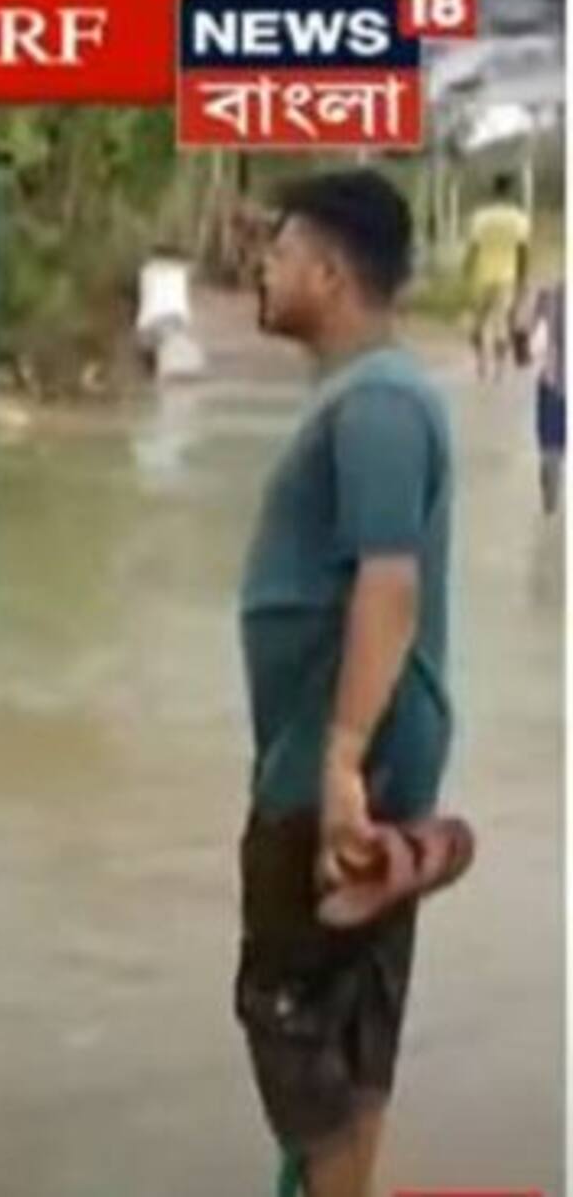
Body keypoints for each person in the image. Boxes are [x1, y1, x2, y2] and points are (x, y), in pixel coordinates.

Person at [237, 172, 459, 1197]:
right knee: (347, 1035)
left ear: (326, 274)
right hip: (345, 756)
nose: (260, 268)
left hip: (339, 769)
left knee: (294, 1022)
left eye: (276, 253)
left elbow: (389, 582)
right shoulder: (363, 395)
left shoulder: (374, 403)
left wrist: (335, 762)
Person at [461, 172, 531, 381]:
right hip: (506, 276)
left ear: (493, 191)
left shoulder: (481, 218)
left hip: (481, 276)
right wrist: (523, 278)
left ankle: (481, 362)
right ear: (510, 192)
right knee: (501, 324)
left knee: (477, 322)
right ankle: (499, 369)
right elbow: (522, 251)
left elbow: (472, 248)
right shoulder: (518, 219)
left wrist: (466, 270)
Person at [524, 281, 565, 516]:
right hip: (554, 378)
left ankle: (550, 497)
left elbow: (533, 339)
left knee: (550, 444)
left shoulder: (549, 295)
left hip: (552, 380)